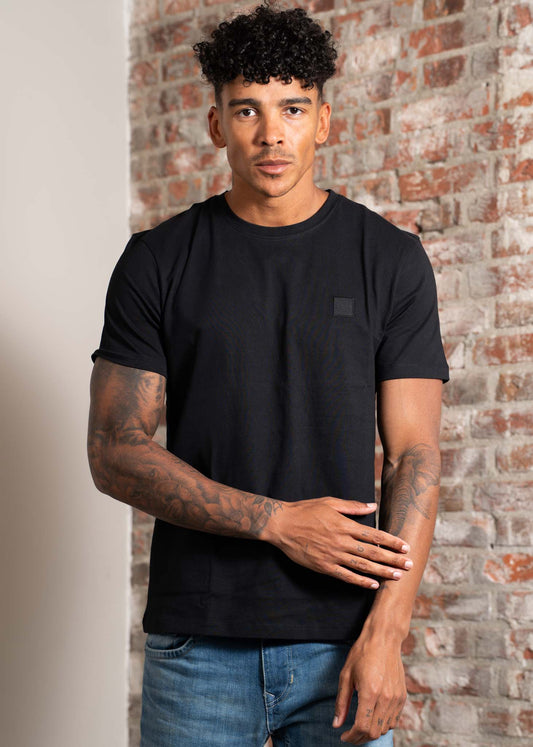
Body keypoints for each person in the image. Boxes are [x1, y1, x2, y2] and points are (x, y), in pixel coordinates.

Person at [88, 3, 449, 745]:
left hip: (344, 639)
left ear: (324, 120)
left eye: (292, 108)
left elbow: (414, 455)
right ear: (217, 125)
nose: (271, 133)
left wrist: (387, 633)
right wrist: (277, 522)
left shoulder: (389, 260)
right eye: (246, 109)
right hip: (198, 645)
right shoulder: (158, 261)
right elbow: (114, 449)